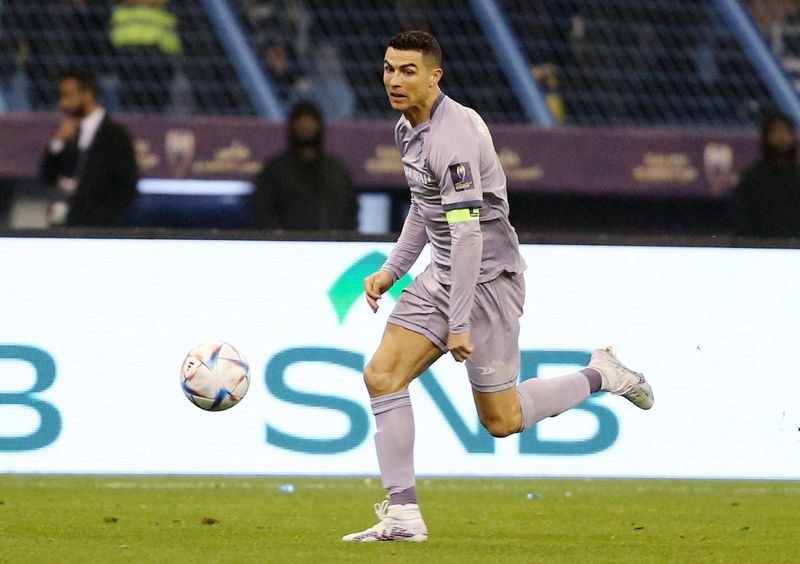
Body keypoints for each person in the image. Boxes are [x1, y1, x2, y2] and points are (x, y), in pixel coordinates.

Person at [342, 31, 654, 543]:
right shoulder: (407, 129)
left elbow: (467, 237)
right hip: (442, 273)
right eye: (388, 69)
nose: (394, 80)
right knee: (381, 375)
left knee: (501, 420)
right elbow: (425, 206)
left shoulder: (453, 136)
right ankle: (402, 516)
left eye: (408, 71)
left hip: (487, 280)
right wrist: (393, 269)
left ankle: (602, 374)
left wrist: (459, 322)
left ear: (434, 75)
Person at [39, 69, 138, 226]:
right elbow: (47, 176)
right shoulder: (66, 133)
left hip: (99, 228)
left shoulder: (115, 136)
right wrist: (57, 142)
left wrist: (102, 215)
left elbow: (126, 186)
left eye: (68, 96)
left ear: (87, 95)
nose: (62, 103)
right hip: (63, 226)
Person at [250, 100, 357, 230]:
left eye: (311, 121)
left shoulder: (336, 171)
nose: (306, 126)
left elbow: (350, 211)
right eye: (301, 121)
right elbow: (262, 211)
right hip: (286, 246)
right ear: (292, 126)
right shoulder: (274, 171)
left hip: (331, 245)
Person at [729, 111, 800, 238]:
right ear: (766, 137)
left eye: (785, 131)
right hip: (761, 248)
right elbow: (740, 218)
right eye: (775, 132)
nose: (781, 137)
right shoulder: (752, 178)